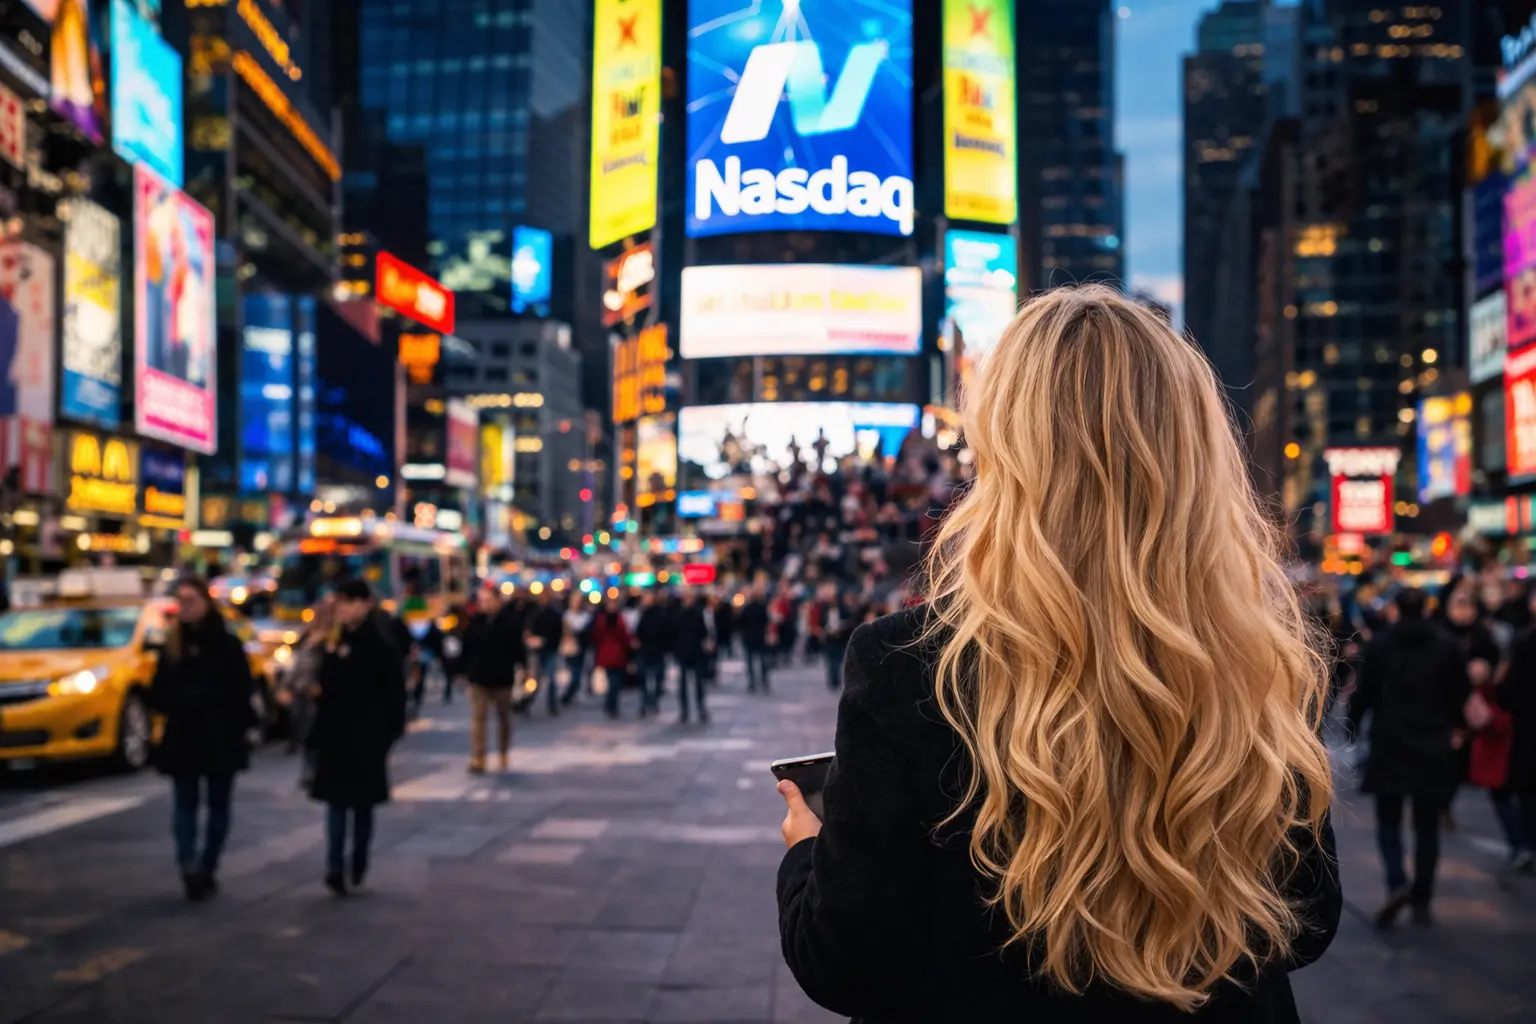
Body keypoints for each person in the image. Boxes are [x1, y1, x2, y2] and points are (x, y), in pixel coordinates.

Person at [773, 287, 1339, 1020]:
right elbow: (1305, 920)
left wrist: (805, 852)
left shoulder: (907, 665)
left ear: (1007, 453)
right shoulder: (1259, 660)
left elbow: (845, 962)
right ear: (1196, 453)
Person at [1348, 586, 1469, 927]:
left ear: (1396, 608)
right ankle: (1422, 896)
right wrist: (1457, 727)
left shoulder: (1381, 644)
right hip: (1433, 742)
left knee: (1388, 820)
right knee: (1427, 825)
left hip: (1390, 741)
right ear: (1426, 608)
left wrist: (1353, 726)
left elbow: (1363, 693)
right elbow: (1460, 694)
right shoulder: (1447, 645)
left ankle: (1396, 881)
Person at [147, 576, 258, 901]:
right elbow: (158, 692)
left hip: (220, 736)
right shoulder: (172, 646)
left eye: (190, 600)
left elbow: (242, 689)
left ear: (206, 603)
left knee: (217, 804)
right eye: (180, 601)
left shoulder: (227, 644)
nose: (185, 608)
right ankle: (189, 865)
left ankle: (207, 865)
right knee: (185, 803)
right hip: (184, 736)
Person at [307, 579, 407, 895]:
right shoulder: (333, 641)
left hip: (367, 737)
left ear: (365, 604)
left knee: (362, 806)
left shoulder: (380, 644)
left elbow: (394, 695)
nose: (343, 609)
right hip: (335, 737)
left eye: (349, 602)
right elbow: (323, 685)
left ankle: (358, 862)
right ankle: (335, 866)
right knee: (336, 805)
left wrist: (389, 734)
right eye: (340, 602)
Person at [1493, 583, 1536, 874]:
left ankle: (1523, 845)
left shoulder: (1524, 642)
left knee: (1511, 790)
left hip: (1524, 729)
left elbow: (1506, 691)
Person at [459, 588, 520, 773]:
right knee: (478, 719)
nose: (484, 604)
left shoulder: (509, 622)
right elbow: (466, 650)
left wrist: (523, 669)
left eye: (488, 600)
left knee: (504, 718)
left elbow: (518, 649)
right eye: (482, 600)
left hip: (503, 679)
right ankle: (479, 757)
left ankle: (503, 752)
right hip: (479, 678)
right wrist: (462, 673)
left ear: (497, 600)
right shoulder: (474, 623)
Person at [671, 590, 712, 724]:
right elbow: (673, 633)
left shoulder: (698, 612)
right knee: (683, 684)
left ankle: (700, 708)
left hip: (696, 652)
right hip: (683, 652)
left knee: (699, 683)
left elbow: (704, 631)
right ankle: (685, 710)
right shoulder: (678, 613)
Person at [592, 602, 635, 718]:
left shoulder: (606, 620)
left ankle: (610, 704)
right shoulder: (609, 620)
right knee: (614, 683)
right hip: (613, 655)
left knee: (613, 682)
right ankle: (612, 705)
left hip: (613, 655)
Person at [527, 594, 565, 716]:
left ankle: (552, 704)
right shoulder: (534, 612)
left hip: (550, 650)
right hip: (537, 650)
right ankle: (527, 702)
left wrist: (549, 642)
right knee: (534, 680)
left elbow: (558, 631)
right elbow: (529, 629)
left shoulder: (554, 613)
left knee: (551, 679)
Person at [635, 592, 672, 715]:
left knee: (657, 679)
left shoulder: (661, 614)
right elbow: (638, 632)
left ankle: (652, 701)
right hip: (645, 651)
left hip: (657, 651)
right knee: (643, 680)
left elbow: (666, 632)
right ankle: (645, 704)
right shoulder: (642, 614)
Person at [560, 592, 592, 702]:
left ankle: (570, 694)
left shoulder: (586, 616)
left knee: (578, 673)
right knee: (574, 673)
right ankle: (568, 695)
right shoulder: (567, 615)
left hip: (582, 648)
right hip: (571, 648)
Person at [738, 587, 771, 693]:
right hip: (760, 637)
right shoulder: (762, 608)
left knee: (750, 661)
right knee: (762, 661)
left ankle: (752, 682)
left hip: (748, 638)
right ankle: (764, 681)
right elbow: (767, 622)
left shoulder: (746, 609)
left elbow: (740, 624)